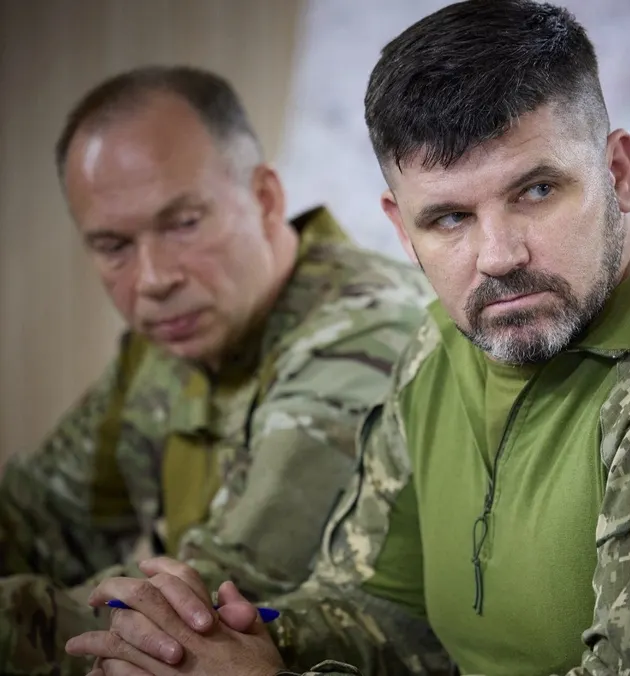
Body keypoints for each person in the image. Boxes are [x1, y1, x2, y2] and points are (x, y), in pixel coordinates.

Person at [66, 2, 630, 675]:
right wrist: (214, 642)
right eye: (449, 218)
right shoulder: (442, 346)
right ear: (402, 230)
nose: (499, 256)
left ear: (618, 173)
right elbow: (383, 608)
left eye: (536, 190)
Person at [0, 66, 432, 675]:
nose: (154, 279)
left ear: (265, 199)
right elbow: (36, 516)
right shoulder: (174, 337)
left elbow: (209, 611)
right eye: (114, 246)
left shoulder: (364, 337)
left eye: (183, 224)